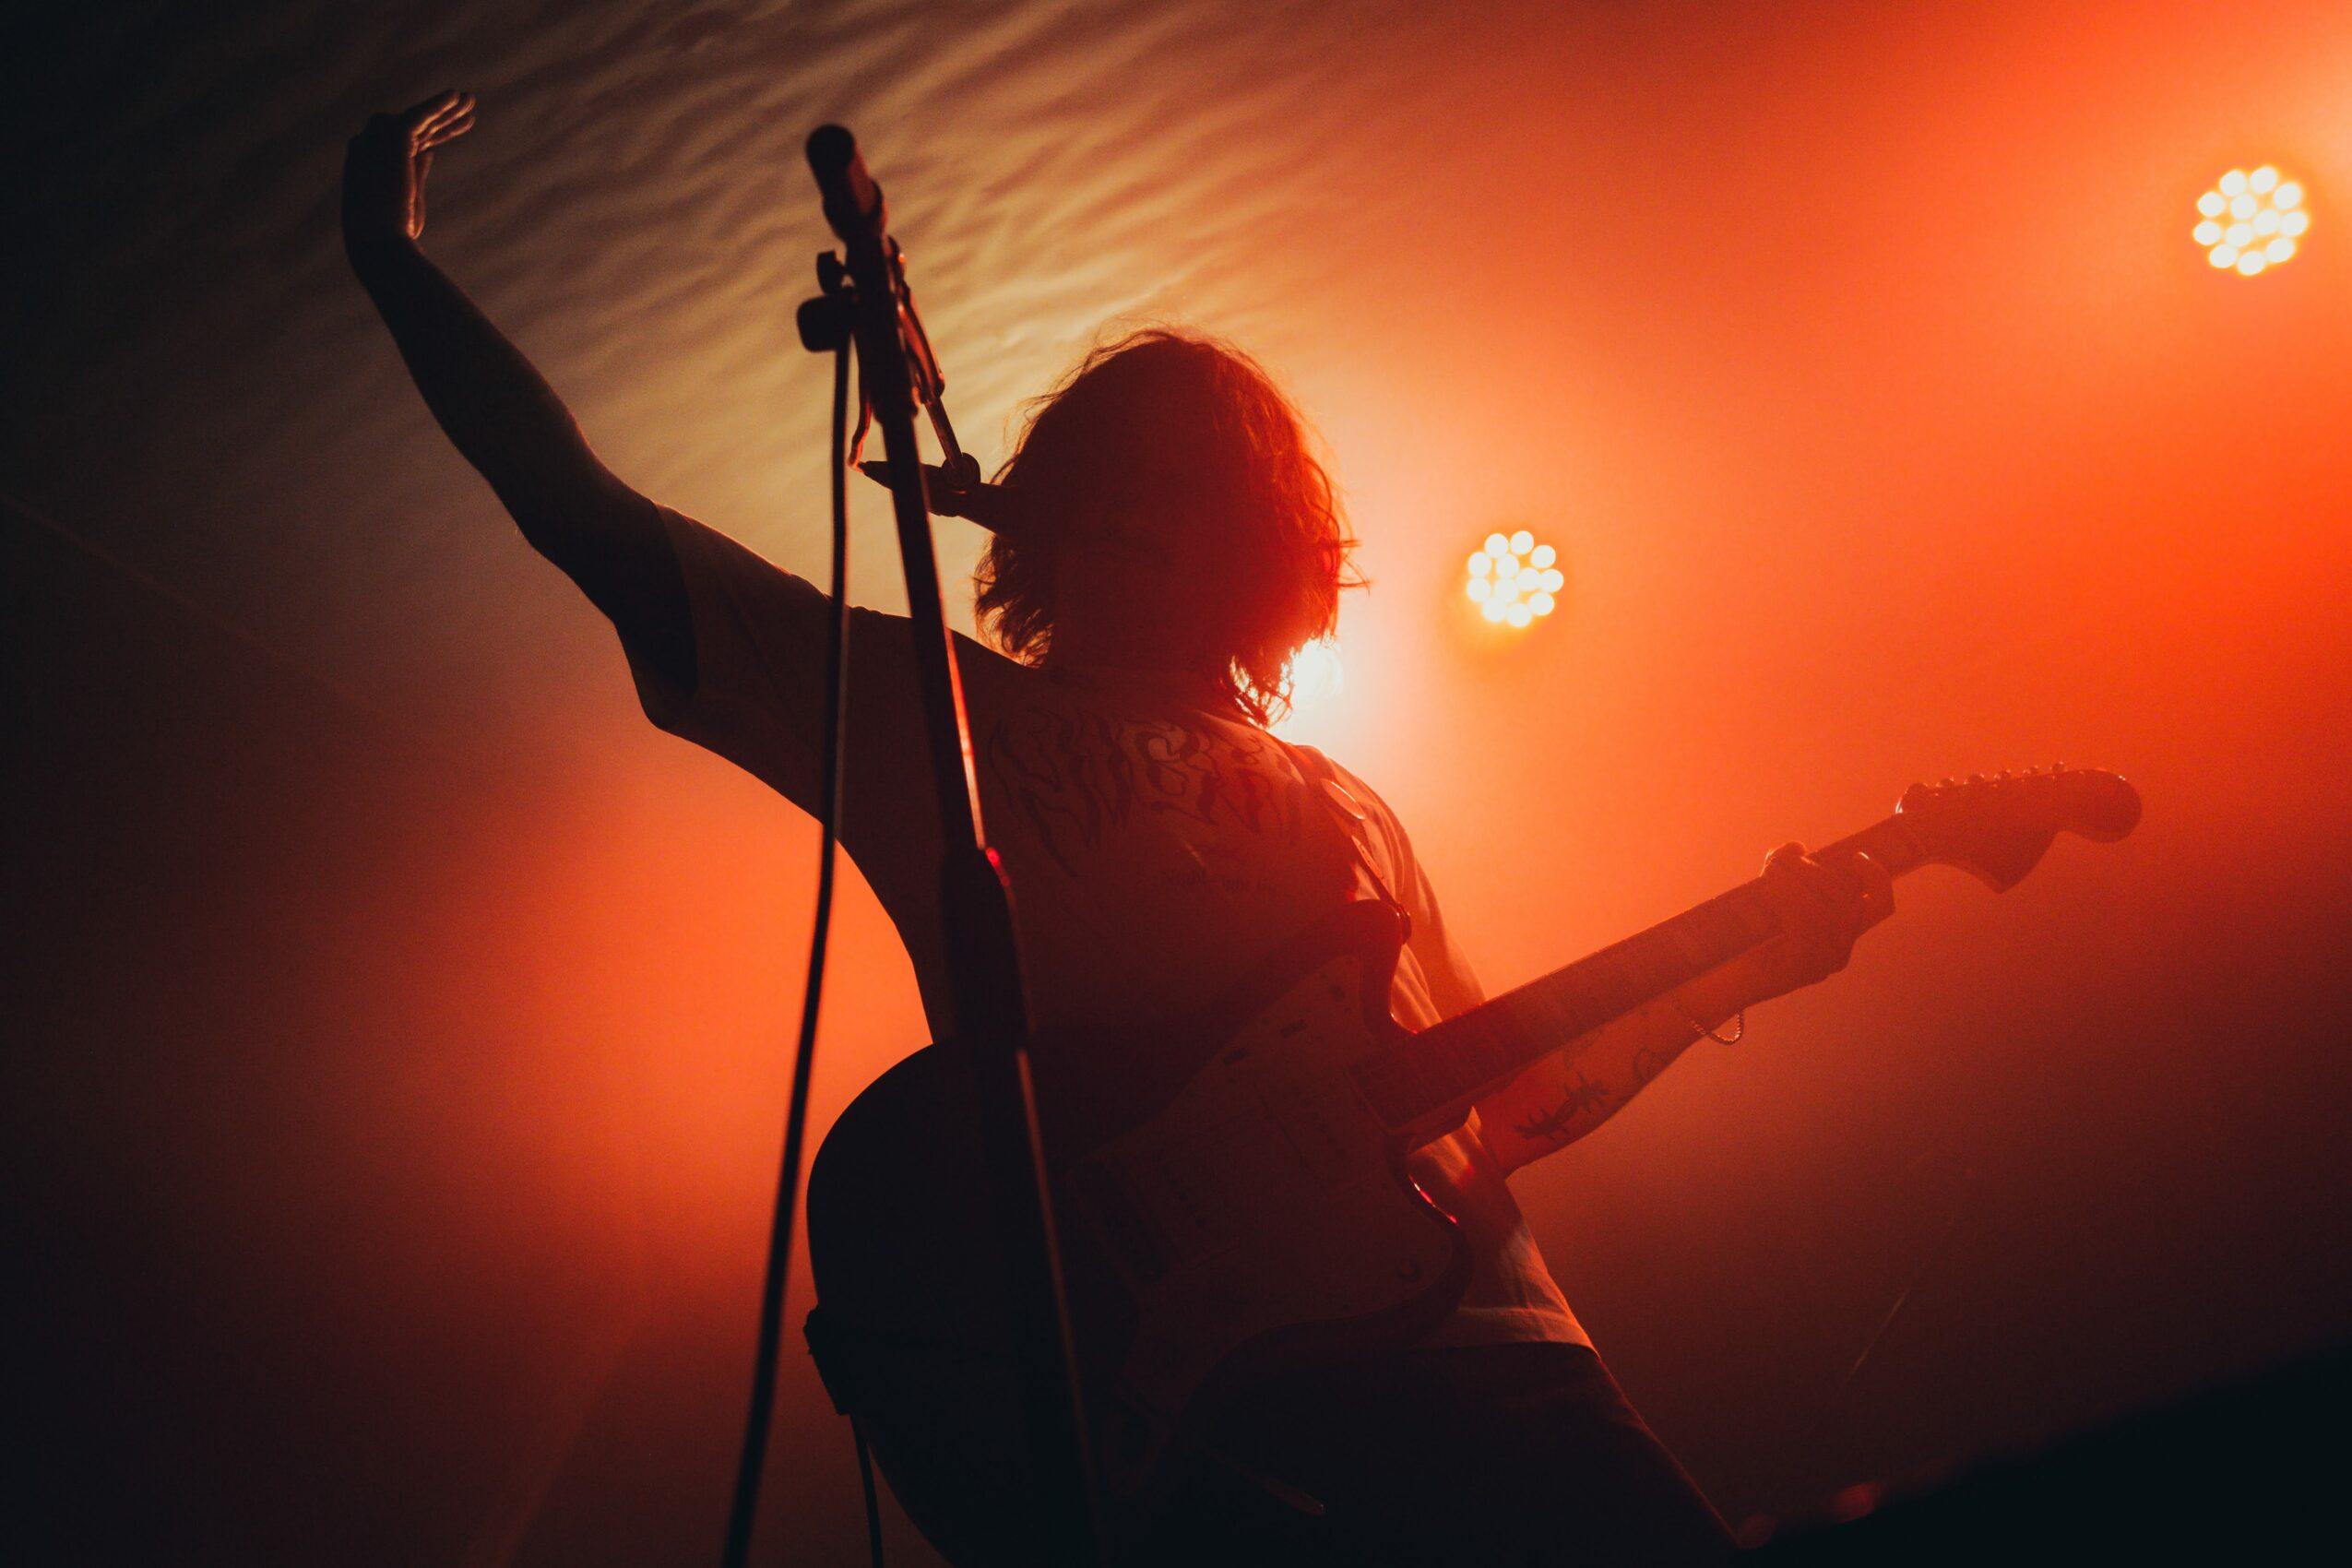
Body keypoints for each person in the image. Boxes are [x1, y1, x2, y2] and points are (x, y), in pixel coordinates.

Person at [345, 92, 1892, 1566]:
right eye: (1103, 477)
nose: (1132, 509)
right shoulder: (936, 714)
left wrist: (1741, 967)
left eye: (1183, 487)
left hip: (1499, 1351)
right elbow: (591, 519)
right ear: (1044, 506)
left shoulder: (1354, 803)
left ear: (1256, 542)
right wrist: (394, 269)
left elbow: (1509, 1100)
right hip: (1205, 1400)